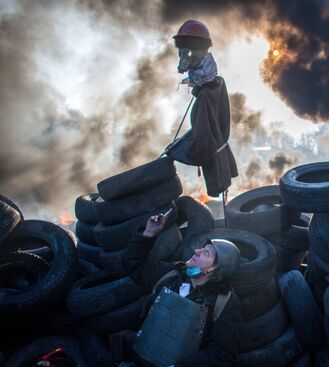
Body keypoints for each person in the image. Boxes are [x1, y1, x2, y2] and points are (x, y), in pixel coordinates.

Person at [121, 211, 242, 367]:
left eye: (206, 253)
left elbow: (223, 354)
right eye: (202, 248)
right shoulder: (171, 274)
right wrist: (149, 233)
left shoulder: (224, 302)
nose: (197, 251)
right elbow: (131, 264)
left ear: (214, 270)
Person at [167, 19, 238, 198]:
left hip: (216, 163)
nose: (184, 57)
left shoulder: (207, 95)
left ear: (201, 51)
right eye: (181, 52)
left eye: (188, 52)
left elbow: (202, 145)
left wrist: (176, 153)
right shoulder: (215, 85)